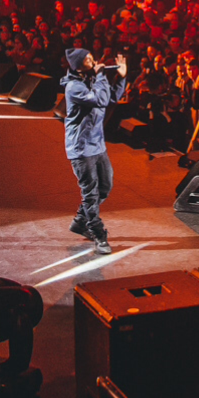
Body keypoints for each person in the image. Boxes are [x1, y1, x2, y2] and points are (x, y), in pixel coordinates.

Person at [61, 45, 127, 253]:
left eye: (92, 58)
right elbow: (100, 99)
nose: (94, 62)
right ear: (78, 67)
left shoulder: (90, 80)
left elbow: (111, 98)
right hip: (81, 148)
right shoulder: (74, 87)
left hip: (97, 144)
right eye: (88, 60)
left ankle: (80, 221)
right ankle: (98, 235)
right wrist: (101, 76)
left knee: (105, 186)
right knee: (90, 194)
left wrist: (121, 77)